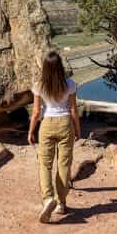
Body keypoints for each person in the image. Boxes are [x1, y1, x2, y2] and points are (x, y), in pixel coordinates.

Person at [28, 51, 81, 223]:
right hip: (65, 123)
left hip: (47, 125)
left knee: (45, 164)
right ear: (60, 66)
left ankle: (48, 198)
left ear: (44, 67)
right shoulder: (70, 84)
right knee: (64, 165)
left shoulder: (39, 85)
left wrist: (30, 131)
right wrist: (78, 129)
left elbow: (36, 112)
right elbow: (73, 110)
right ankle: (61, 203)